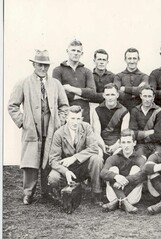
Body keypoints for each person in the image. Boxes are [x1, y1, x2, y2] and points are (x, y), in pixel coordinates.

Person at [8, 50, 69, 205]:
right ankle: (28, 193)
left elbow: (64, 106)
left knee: (48, 160)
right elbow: (12, 106)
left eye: (45, 65)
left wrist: (59, 122)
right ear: (34, 64)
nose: (42, 68)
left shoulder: (55, 84)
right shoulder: (23, 82)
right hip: (32, 130)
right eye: (40, 64)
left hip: (50, 130)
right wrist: (24, 122)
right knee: (30, 163)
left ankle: (46, 192)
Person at [48, 106, 103, 205]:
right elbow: (53, 159)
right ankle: (61, 195)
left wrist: (74, 158)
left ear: (81, 119)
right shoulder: (59, 133)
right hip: (67, 168)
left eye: (78, 119)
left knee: (96, 159)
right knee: (53, 177)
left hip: (83, 166)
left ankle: (96, 194)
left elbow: (94, 148)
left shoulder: (86, 127)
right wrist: (65, 172)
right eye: (72, 118)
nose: (75, 122)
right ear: (66, 118)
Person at [100, 129, 146, 213]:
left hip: (132, 198)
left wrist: (125, 180)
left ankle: (116, 202)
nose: (126, 146)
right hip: (113, 195)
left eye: (129, 142)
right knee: (113, 170)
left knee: (136, 169)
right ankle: (124, 202)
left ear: (134, 143)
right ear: (120, 144)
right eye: (124, 143)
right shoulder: (114, 157)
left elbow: (144, 174)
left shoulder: (140, 158)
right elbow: (103, 172)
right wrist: (116, 176)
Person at [53, 39, 96, 123]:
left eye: (78, 51)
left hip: (84, 114)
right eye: (73, 50)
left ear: (81, 53)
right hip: (65, 113)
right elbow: (57, 93)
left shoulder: (87, 71)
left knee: (83, 134)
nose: (76, 53)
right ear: (67, 51)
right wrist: (82, 96)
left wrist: (70, 88)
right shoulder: (58, 70)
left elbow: (92, 93)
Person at [91, 83, 130, 160]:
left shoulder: (124, 111)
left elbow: (124, 134)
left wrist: (116, 146)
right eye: (107, 95)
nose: (110, 98)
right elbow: (96, 133)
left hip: (118, 144)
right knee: (97, 157)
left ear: (117, 95)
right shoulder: (97, 110)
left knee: (117, 157)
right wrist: (102, 146)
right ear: (103, 95)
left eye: (112, 94)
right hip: (101, 143)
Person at [129, 85, 161, 158]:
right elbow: (133, 133)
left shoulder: (159, 111)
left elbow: (158, 134)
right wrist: (149, 132)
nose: (147, 99)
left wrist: (141, 135)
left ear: (153, 97)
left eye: (149, 96)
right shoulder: (135, 111)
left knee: (159, 157)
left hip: (155, 144)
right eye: (145, 96)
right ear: (141, 96)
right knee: (139, 158)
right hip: (140, 145)